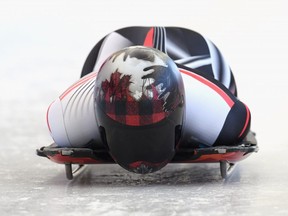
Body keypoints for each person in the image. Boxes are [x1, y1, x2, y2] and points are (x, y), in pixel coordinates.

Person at [46, 26, 251, 174]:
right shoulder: (65, 118)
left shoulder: (222, 116)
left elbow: (240, 119)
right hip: (115, 50)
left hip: (196, 58)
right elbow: (242, 124)